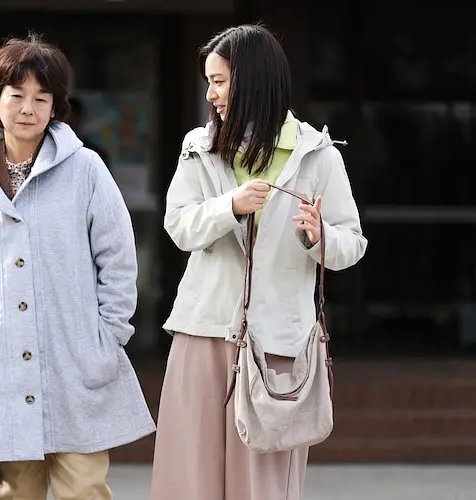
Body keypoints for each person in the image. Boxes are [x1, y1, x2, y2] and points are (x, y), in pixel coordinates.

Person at [0, 33, 155, 500]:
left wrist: (107, 336)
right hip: (2, 369)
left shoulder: (85, 169)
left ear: (55, 107)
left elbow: (118, 258)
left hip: (75, 365)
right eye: (17, 95)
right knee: (15, 492)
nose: (28, 109)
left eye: (41, 98)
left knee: (84, 489)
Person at [150, 24, 367, 500]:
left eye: (219, 81)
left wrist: (318, 237)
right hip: (204, 333)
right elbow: (179, 226)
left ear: (252, 80)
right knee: (191, 480)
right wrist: (229, 206)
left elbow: (352, 244)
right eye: (209, 82)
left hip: (277, 342)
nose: (211, 95)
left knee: (262, 486)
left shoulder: (318, 154)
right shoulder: (199, 146)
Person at [67, 96, 112, 170]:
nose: (69, 119)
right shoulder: (52, 149)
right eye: (66, 116)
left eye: (73, 115)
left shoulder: (95, 153)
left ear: (80, 117)